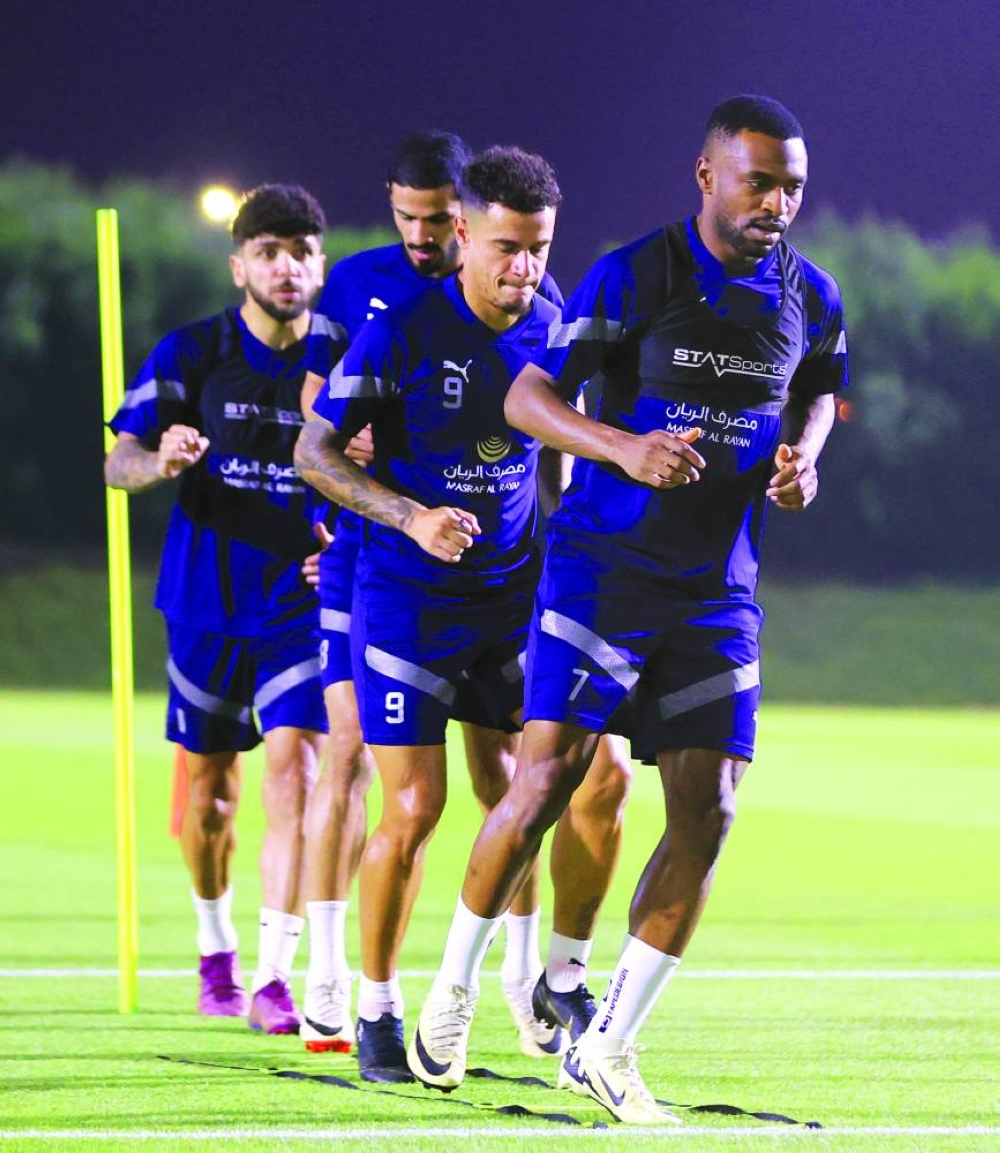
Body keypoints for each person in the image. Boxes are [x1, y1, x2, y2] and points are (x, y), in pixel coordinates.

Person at [408, 95, 848, 1124]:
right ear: (707, 177)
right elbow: (527, 400)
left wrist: (804, 460)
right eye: (758, 183)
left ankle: (608, 1047)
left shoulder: (811, 295)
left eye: (791, 186)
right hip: (601, 572)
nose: (776, 203)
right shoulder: (633, 272)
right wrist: (621, 446)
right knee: (545, 783)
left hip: (716, 593)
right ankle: (454, 987)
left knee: (712, 808)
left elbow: (821, 387)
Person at [298, 133, 632, 1061]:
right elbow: (314, 451)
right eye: (507, 247)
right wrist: (408, 515)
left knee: (537, 787)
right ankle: (372, 1006)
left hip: (514, 596)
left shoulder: (553, 316)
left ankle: (527, 986)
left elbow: (555, 449)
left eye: (539, 247)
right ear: (465, 233)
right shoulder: (403, 327)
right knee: (413, 810)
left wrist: (564, 546)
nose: (525, 267)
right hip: (409, 598)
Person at [105, 184, 332, 1034]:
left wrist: (345, 535)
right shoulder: (193, 352)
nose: (286, 265)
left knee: (298, 770)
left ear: (320, 263)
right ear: (239, 264)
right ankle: (215, 952)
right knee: (211, 800)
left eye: (301, 250)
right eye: (267, 250)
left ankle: (276, 975)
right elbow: (115, 463)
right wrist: (159, 458)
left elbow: (380, 468)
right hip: (204, 603)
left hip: (299, 608)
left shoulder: (344, 363)